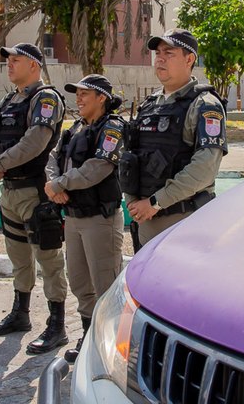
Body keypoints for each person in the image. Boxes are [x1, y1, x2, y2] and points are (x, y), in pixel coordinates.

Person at [0, 43, 69, 355]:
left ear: (34, 65)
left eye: (16, 60)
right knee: (18, 256)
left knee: (48, 258)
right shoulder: (10, 99)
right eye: (8, 60)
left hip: (35, 190)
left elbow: (35, 142)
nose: (9, 65)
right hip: (9, 192)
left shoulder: (46, 98)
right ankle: (21, 314)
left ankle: (57, 325)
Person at [120, 29, 227, 249]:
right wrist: (132, 201)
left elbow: (204, 169)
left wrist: (155, 203)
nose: (160, 58)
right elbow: (131, 157)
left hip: (183, 221)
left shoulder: (205, 105)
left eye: (169, 53)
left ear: (189, 59)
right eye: (158, 53)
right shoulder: (149, 105)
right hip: (145, 219)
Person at [44, 74, 125, 364]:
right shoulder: (75, 127)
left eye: (84, 94)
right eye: (76, 94)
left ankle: (110, 344)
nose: (78, 99)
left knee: (104, 282)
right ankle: (89, 335)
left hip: (99, 219)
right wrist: (53, 185)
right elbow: (53, 157)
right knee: (79, 282)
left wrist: (61, 184)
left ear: (101, 97)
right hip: (74, 217)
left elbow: (98, 167)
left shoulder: (112, 127)